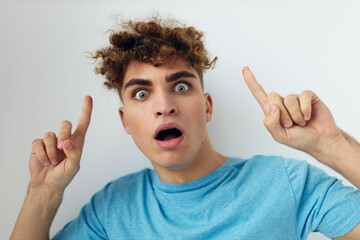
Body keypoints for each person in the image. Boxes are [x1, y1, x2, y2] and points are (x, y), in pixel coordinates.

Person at [11, 17, 360, 240]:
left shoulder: (286, 183)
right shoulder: (111, 211)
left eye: (180, 86)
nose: (164, 105)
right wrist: (43, 193)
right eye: (142, 93)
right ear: (125, 122)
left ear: (206, 107)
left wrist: (331, 144)